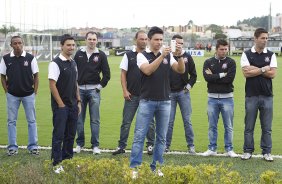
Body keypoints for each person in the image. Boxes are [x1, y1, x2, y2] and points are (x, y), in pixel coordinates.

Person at [130, 26, 185, 178]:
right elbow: (148, 70)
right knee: (139, 135)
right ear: (149, 40)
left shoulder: (168, 55)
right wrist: (161, 56)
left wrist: (179, 56)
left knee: (161, 137)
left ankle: (157, 166)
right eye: (156, 39)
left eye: (161, 39)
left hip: (165, 102)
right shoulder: (142, 55)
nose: (159, 42)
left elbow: (180, 70)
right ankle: (135, 167)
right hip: (147, 101)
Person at [113, 30, 155, 156]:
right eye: (141, 39)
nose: (143, 41)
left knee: (150, 123)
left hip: (147, 96)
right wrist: (125, 90)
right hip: (131, 95)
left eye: (145, 39)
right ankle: (121, 146)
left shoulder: (151, 55)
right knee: (126, 122)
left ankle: (150, 145)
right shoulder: (128, 55)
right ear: (135, 40)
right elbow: (123, 74)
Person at [240, 28, 277, 161]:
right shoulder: (246, 54)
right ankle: (248, 151)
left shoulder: (271, 55)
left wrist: (254, 68)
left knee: (267, 127)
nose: (265, 40)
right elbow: (246, 73)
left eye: (267, 38)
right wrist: (263, 69)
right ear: (255, 38)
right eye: (262, 38)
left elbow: (273, 74)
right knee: (249, 126)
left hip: (267, 96)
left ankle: (266, 152)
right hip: (251, 95)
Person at [0, 35, 39, 156]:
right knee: (11, 121)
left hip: (28, 94)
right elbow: (2, 76)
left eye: (20, 43)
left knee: (31, 121)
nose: (17, 45)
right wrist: (7, 92)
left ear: (23, 44)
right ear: (11, 45)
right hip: (12, 95)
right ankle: (12, 147)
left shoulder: (31, 58)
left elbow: (36, 76)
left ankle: (33, 147)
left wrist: (35, 92)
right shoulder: (6, 59)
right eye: (15, 43)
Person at [48, 34, 81, 173]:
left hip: (73, 106)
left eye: (73, 45)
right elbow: (52, 85)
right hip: (61, 107)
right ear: (61, 46)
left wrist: (78, 101)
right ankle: (56, 163)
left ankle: (67, 160)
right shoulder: (55, 63)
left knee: (70, 135)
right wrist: (61, 104)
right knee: (59, 136)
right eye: (68, 45)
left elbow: (75, 84)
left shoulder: (73, 63)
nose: (71, 47)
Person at [73, 31, 111, 154]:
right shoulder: (79, 54)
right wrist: (75, 88)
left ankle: (95, 146)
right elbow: (73, 72)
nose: (92, 41)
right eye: (90, 39)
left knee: (95, 120)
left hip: (94, 91)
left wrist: (99, 87)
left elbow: (107, 74)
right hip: (80, 91)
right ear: (86, 40)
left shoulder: (101, 55)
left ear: (97, 41)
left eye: (94, 39)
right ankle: (79, 144)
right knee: (79, 119)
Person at [202, 39, 237, 158]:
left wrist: (214, 76)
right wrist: (222, 74)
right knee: (212, 125)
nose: (224, 51)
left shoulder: (231, 62)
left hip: (227, 98)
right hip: (212, 98)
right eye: (221, 49)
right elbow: (207, 78)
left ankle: (229, 149)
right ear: (216, 49)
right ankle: (212, 148)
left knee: (228, 126)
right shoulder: (208, 62)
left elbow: (229, 79)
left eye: (225, 49)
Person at [165, 34, 197, 154]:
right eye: (177, 43)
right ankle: (166, 146)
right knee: (169, 121)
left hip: (183, 93)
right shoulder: (166, 56)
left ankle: (191, 146)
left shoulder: (187, 56)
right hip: (169, 93)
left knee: (187, 120)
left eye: (181, 43)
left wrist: (188, 87)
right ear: (172, 43)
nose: (179, 45)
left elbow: (194, 74)